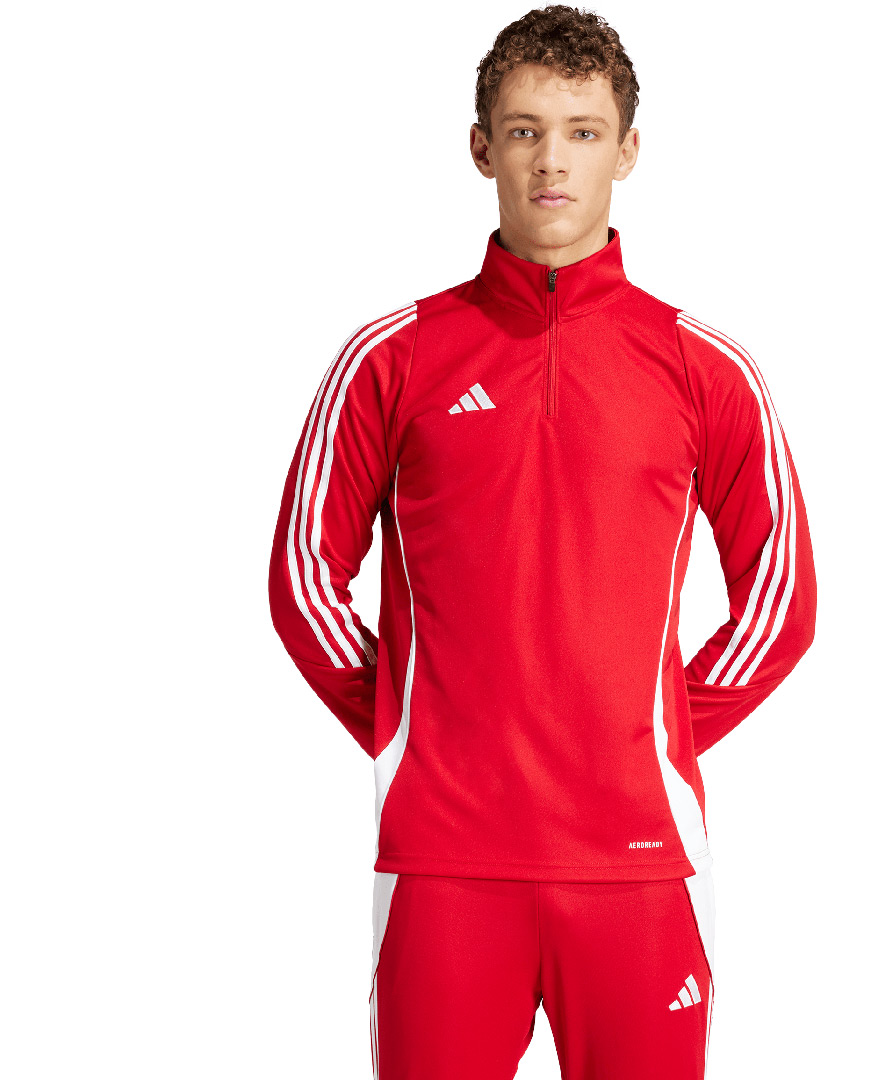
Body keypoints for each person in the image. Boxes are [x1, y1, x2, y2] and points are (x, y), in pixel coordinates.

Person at [267, 5, 816, 1078]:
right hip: (444, 865)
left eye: (581, 131)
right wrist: (416, 730)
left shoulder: (703, 369)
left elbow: (780, 603)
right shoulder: (393, 358)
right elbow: (302, 582)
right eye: (524, 131)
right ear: (482, 149)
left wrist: (647, 737)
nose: (551, 160)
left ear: (627, 150)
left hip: (639, 866)